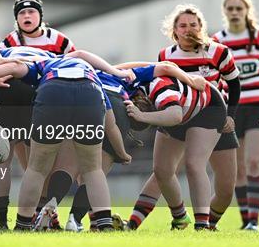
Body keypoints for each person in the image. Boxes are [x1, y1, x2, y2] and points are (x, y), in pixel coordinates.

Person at [124, 4, 241, 231]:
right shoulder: (165, 55)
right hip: (178, 112)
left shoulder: (218, 52)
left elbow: (235, 83)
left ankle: (208, 223)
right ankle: (181, 223)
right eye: (183, 25)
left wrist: (231, 115)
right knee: (163, 171)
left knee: (226, 188)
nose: (188, 29)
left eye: (193, 25)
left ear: (201, 28)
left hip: (212, 113)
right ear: (174, 30)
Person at [0, 52, 136, 231]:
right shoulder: (92, 75)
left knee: (37, 168)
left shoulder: (44, 65)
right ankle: (104, 224)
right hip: (89, 94)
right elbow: (111, 124)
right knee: (92, 169)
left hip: (53, 91)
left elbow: (13, 68)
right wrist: (122, 153)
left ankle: (23, 224)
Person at [64, 61, 208, 231]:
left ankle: (43, 215)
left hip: (71, 99)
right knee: (96, 173)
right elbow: (167, 67)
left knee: (73, 169)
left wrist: (110, 68)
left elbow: (82, 55)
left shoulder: (114, 72)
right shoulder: (146, 81)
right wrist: (191, 80)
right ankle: (92, 222)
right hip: (110, 100)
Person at [0, 0, 76, 229]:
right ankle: (2, 218)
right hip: (10, 101)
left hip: (39, 102)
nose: (26, 16)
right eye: (21, 13)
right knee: (3, 160)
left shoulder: (60, 41)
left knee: (36, 163)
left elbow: (71, 67)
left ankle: (38, 215)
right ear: (16, 18)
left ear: (41, 16)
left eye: (31, 12)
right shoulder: (9, 41)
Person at [212, 0, 259, 230]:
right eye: (230, 9)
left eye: (238, 8)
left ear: (246, 11)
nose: (234, 13)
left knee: (254, 161)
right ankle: (246, 221)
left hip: (258, 106)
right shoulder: (217, 41)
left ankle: (254, 220)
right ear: (225, 12)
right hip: (232, 109)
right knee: (239, 167)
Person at [125, 74, 227, 230]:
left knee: (194, 165)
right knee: (161, 171)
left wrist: (143, 116)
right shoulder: (127, 89)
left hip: (208, 108)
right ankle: (180, 218)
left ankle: (202, 225)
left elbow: (175, 115)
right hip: (178, 109)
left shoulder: (161, 89)